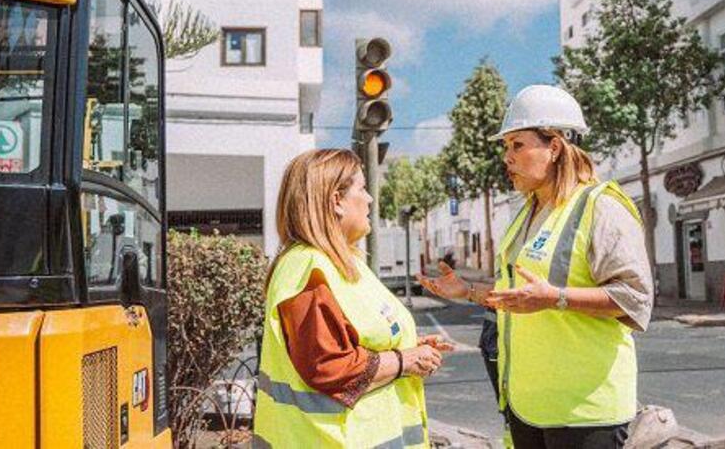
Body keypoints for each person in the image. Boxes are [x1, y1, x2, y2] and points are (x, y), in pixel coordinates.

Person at [419, 85, 652, 449]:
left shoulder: (601, 206)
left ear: (555, 147)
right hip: (527, 407)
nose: (507, 157)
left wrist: (555, 298)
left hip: (584, 412)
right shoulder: (526, 213)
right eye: (505, 147)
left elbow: (635, 298)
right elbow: (519, 297)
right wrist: (468, 291)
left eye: (517, 145)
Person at [254, 148, 454, 447]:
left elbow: (358, 339)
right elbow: (329, 366)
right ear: (336, 200)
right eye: (362, 188)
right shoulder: (308, 267)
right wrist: (404, 360)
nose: (371, 198)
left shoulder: (344, 262)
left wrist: (409, 348)